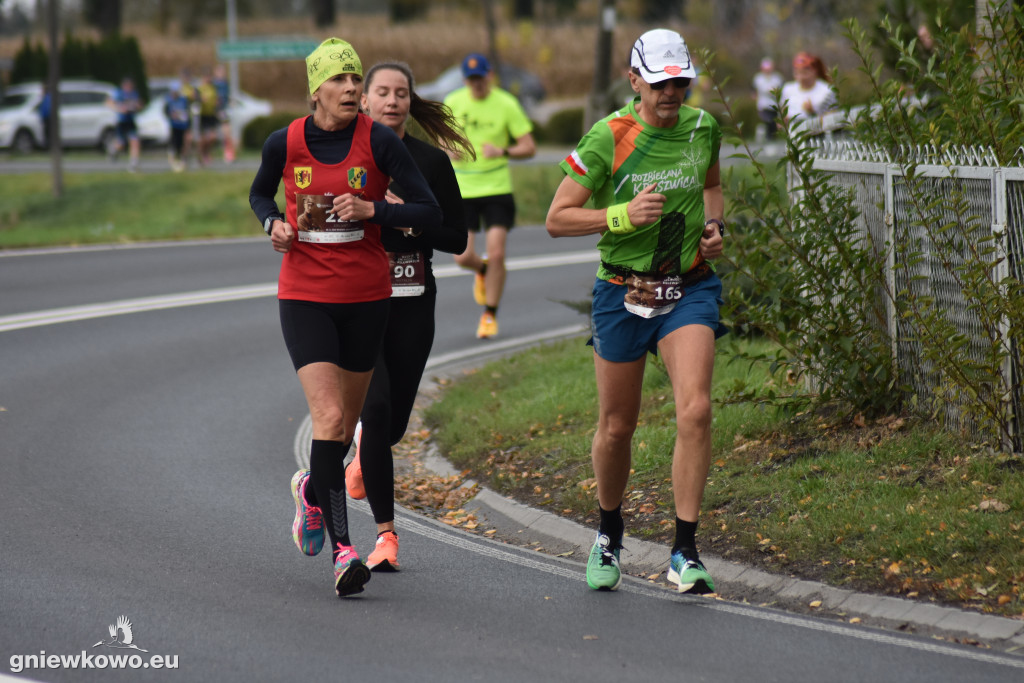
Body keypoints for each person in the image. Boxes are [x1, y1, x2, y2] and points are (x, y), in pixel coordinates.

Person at [248, 38, 442, 598]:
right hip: (305, 295)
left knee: (341, 432)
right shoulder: (282, 143)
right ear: (316, 90)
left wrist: (373, 209)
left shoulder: (378, 142)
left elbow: (429, 210)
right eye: (341, 80)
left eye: (356, 78)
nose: (353, 88)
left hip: (367, 300)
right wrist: (273, 226)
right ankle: (344, 551)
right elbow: (261, 196)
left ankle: (313, 487)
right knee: (331, 421)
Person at [545, 28, 727, 595]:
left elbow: (713, 183)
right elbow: (557, 217)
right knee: (617, 427)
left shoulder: (704, 128)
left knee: (695, 410)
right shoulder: (609, 136)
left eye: (680, 81)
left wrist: (717, 227)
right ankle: (608, 532)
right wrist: (621, 216)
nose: (671, 93)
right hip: (623, 291)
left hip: (689, 287)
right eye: (659, 83)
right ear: (634, 81)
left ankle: (684, 550)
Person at [342, 60, 471, 572]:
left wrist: (409, 220)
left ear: (410, 101)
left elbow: (457, 238)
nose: (393, 101)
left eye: (402, 93)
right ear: (365, 101)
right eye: (383, 92)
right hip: (360, 300)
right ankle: (386, 537)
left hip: (414, 300)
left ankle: (363, 461)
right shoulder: (348, 158)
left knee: (390, 428)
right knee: (373, 413)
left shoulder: (430, 163)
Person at [444, 52, 536, 339]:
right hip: (463, 189)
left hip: (497, 188)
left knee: (497, 252)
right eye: (471, 80)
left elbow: (529, 147)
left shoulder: (506, 104)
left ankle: (489, 315)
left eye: (480, 79)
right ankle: (483, 270)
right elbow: (441, 139)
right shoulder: (454, 102)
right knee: (462, 257)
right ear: (464, 80)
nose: (476, 85)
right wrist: (449, 151)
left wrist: (503, 151)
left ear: (489, 75)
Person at [780, 52, 836, 126]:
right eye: (798, 72)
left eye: (805, 72)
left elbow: (834, 118)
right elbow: (783, 112)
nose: (801, 77)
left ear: (814, 71)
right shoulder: (787, 89)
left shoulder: (827, 90)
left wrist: (812, 112)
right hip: (794, 134)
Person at [108, 76, 141, 171]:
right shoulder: (119, 93)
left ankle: (134, 163)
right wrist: (119, 109)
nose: (130, 87)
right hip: (121, 122)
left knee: (135, 141)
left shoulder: (134, 94)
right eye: (128, 85)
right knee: (121, 144)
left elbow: (139, 104)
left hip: (131, 121)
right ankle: (113, 149)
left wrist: (138, 107)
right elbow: (109, 102)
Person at [751, 57, 783, 141]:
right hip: (763, 105)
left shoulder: (777, 78)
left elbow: (782, 90)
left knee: (774, 124)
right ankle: (767, 137)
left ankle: (771, 138)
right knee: (768, 121)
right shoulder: (758, 78)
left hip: (775, 105)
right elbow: (754, 89)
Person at [163, 80, 191, 172]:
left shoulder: (183, 100)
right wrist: (171, 115)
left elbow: (187, 111)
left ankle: (183, 161)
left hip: (183, 125)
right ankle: (173, 161)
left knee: (183, 144)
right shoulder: (169, 100)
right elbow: (165, 111)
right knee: (174, 144)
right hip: (174, 126)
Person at [195, 68, 221, 166]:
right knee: (203, 139)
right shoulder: (200, 88)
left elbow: (216, 99)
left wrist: (217, 103)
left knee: (213, 137)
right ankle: (201, 154)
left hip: (211, 115)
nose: (209, 79)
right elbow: (195, 98)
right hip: (202, 115)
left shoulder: (213, 88)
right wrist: (200, 99)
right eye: (207, 77)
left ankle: (206, 153)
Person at [212, 64, 236, 163]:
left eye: (223, 71)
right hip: (214, 111)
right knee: (212, 134)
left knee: (227, 132)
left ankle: (229, 153)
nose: (222, 73)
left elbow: (227, 97)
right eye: (219, 71)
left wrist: (230, 103)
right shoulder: (213, 84)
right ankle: (208, 154)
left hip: (223, 110)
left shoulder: (226, 84)